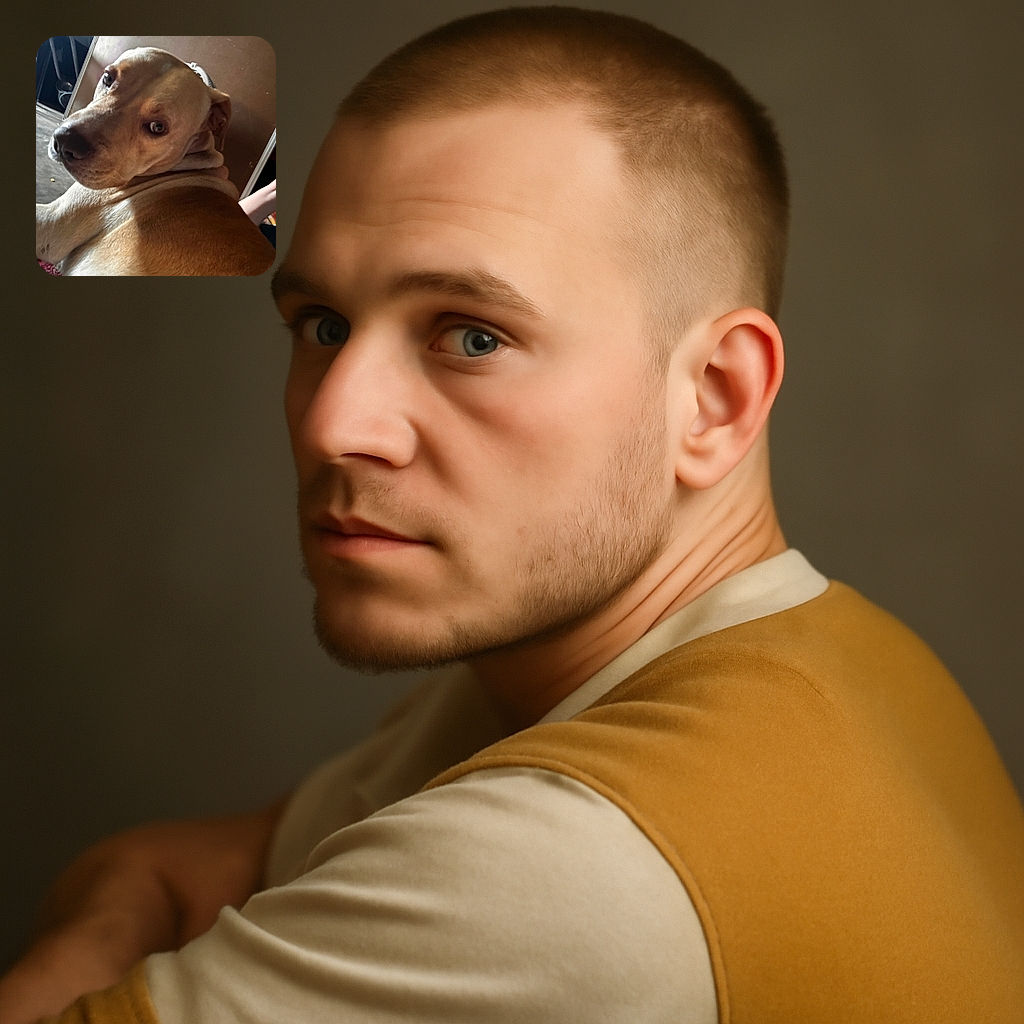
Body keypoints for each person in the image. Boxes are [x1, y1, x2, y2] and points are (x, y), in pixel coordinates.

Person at [4, 7, 1023, 1022]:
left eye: (473, 338)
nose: (335, 424)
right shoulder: (822, 662)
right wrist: (117, 909)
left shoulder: (576, 860)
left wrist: (107, 927)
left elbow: (177, 881)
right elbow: (175, 867)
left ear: (713, 397)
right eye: (322, 324)